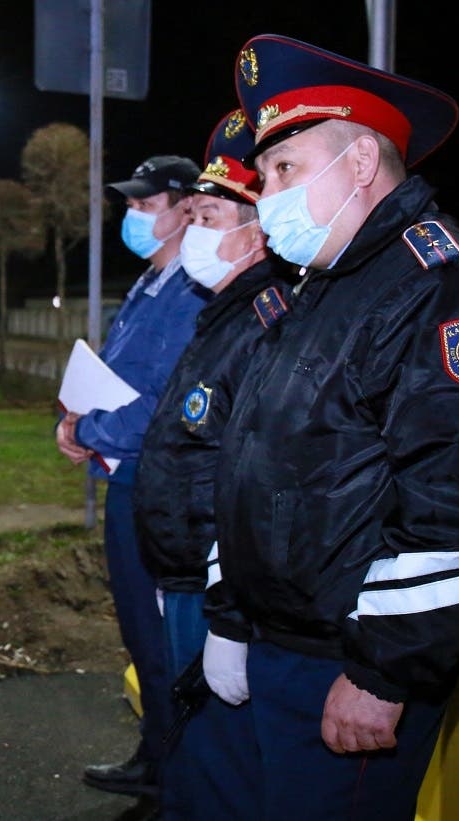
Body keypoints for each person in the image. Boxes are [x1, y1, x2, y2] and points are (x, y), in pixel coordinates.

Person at [182, 34, 459, 819]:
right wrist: (229, 612)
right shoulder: (320, 289)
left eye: (284, 169)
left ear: (358, 163)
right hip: (274, 643)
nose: (269, 190)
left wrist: (384, 671)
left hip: (346, 667)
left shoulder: (448, 291)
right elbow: (254, 457)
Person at [129, 109, 292, 813]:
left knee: (218, 765)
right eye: (190, 213)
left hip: (217, 582)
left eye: (208, 215)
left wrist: (221, 608)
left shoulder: (266, 319)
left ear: (258, 231)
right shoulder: (221, 311)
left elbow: (250, 475)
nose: (194, 230)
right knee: (196, 755)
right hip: (189, 572)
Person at [55, 154, 211, 799]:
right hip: (127, 480)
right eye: (130, 205)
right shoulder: (149, 285)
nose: (133, 216)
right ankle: (157, 757)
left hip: (160, 486)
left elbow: (168, 402)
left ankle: (180, 774)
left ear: (185, 211)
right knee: (140, 631)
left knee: (166, 636)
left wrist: (89, 432)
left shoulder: (194, 289)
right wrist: (74, 421)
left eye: (147, 206)